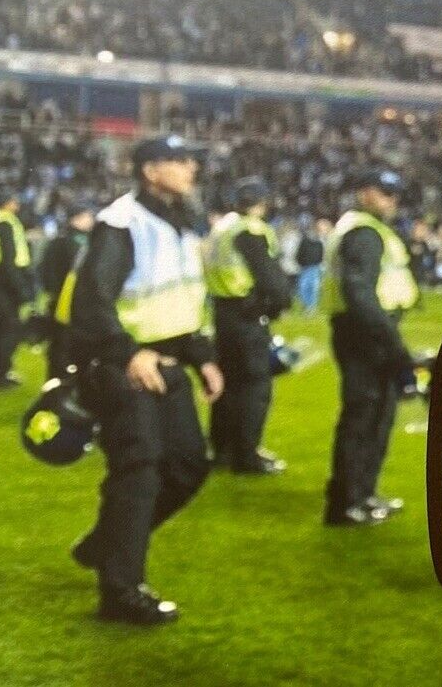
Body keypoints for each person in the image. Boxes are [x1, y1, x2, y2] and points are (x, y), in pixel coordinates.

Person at [62, 135, 223, 625]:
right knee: (139, 472)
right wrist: (128, 353)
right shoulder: (121, 223)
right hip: (125, 368)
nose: (191, 168)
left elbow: (179, 301)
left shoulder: (180, 225)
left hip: (168, 363)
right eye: (179, 160)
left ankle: (108, 544)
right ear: (150, 171)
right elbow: (92, 303)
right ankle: (121, 591)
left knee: (189, 467)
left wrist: (203, 357)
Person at [322, 167, 418, 526]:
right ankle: (348, 501)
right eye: (383, 193)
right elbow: (360, 294)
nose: (391, 201)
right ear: (364, 193)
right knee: (364, 418)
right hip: (366, 334)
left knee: (374, 417)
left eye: (393, 194)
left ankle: (362, 493)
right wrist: (394, 347)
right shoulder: (363, 232)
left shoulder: (363, 228)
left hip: (363, 331)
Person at [205, 177, 293, 474]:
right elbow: (269, 278)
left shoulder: (223, 227)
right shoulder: (251, 230)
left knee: (227, 384)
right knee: (254, 387)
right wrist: (278, 304)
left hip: (222, 313)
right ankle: (246, 455)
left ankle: (221, 450)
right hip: (246, 314)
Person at [36, 207, 94, 379]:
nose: (91, 220)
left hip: (79, 301)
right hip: (63, 300)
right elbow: (48, 270)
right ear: (75, 219)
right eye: (87, 216)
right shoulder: (62, 241)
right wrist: (54, 293)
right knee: (61, 340)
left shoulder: (89, 240)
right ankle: (57, 379)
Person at [0, 191, 36, 388]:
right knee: (10, 328)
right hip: (2, 280)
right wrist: (22, 290)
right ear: (7, 203)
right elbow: (8, 259)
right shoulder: (5, 222)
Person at [295, 217, 328, 314]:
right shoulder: (309, 241)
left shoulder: (319, 242)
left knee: (311, 287)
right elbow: (300, 253)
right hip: (306, 266)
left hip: (314, 267)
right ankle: (308, 305)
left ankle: (311, 306)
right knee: (304, 287)